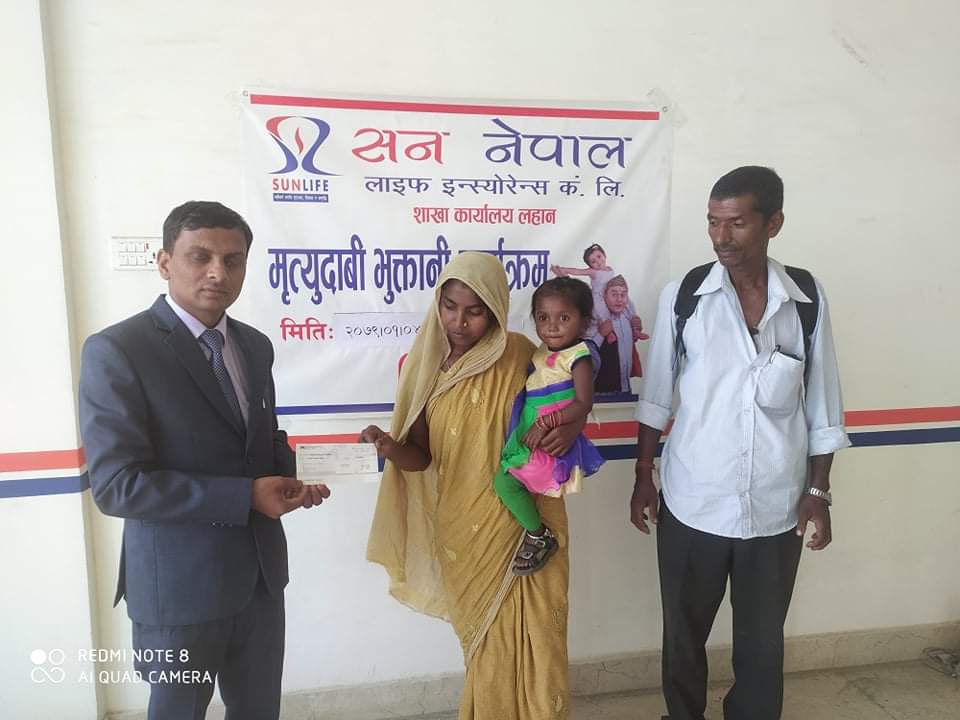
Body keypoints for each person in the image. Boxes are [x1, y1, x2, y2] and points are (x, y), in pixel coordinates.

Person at [78, 201, 330, 720]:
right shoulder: (119, 349)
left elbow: (261, 439)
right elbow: (118, 485)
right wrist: (246, 496)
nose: (219, 272)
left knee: (258, 711)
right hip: (179, 588)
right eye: (201, 257)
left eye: (233, 260)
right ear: (164, 262)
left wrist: (296, 476)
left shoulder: (254, 346)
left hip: (260, 579)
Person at [630, 166, 849, 720]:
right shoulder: (686, 297)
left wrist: (818, 492)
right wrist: (642, 477)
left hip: (775, 507)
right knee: (683, 636)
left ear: (773, 223)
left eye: (736, 223)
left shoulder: (805, 298)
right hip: (693, 499)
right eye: (713, 222)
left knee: (762, 643)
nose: (721, 237)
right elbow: (656, 396)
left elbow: (823, 403)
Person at [363, 253, 584, 720]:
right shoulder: (424, 366)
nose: (459, 322)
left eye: (475, 311)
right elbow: (421, 457)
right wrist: (389, 446)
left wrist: (572, 424)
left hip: (528, 526)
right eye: (449, 307)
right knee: (485, 644)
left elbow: (566, 396)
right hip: (463, 527)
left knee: (537, 640)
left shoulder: (523, 356)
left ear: (497, 310)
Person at [494, 277, 605, 575]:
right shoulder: (540, 351)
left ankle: (539, 536)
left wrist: (546, 423)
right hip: (529, 430)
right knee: (505, 482)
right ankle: (537, 533)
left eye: (563, 318)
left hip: (549, 438)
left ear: (584, 322)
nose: (552, 326)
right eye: (543, 317)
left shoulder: (579, 357)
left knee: (506, 483)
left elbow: (583, 403)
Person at [591, 275, 647, 393]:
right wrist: (601, 335)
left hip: (625, 389)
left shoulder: (627, 320)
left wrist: (635, 331)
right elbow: (584, 353)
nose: (619, 299)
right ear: (605, 296)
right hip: (599, 392)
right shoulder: (595, 320)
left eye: (623, 295)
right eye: (614, 294)